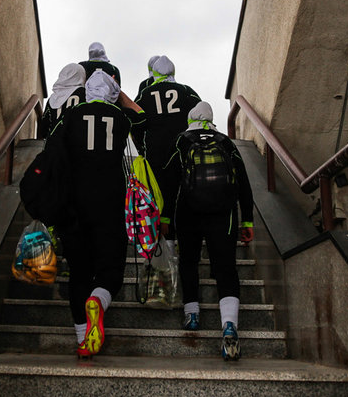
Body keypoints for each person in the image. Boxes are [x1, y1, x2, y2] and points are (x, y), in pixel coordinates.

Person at [47, 69, 143, 357]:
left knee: (78, 272)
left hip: (74, 204)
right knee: (110, 269)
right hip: (110, 202)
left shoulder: (68, 117)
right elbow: (143, 118)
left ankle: (83, 338)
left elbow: (52, 156)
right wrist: (119, 95)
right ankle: (98, 303)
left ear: (86, 92)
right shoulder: (121, 118)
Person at [165, 101, 254, 361]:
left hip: (188, 211)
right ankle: (229, 325)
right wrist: (247, 221)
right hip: (223, 214)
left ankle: (192, 314)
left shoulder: (181, 141)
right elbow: (244, 184)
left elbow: (169, 183)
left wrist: (165, 217)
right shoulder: (226, 143)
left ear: (191, 118)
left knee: (189, 261)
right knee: (225, 266)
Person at [131, 55, 201, 236]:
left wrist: (141, 147)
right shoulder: (186, 91)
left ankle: (159, 239)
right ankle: (181, 235)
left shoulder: (145, 93)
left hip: (155, 151)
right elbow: (200, 114)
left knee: (157, 193)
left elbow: (135, 122)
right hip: (182, 149)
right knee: (181, 191)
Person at [38, 63, 86, 138]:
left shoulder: (53, 97)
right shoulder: (85, 94)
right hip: (77, 140)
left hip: (54, 142)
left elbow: (44, 127)